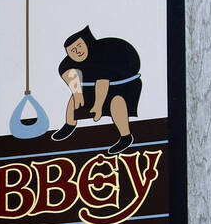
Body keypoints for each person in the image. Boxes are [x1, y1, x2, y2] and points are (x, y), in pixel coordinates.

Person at [50, 26, 142, 154]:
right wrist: (77, 94)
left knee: (117, 102)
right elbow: (68, 73)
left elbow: (102, 82)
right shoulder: (69, 64)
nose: (77, 52)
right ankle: (69, 124)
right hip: (93, 86)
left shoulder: (101, 55)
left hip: (122, 85)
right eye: (72, 50)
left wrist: (98, 106)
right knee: (73, 100)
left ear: (86, 43)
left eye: (79, 46)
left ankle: (126, 136)